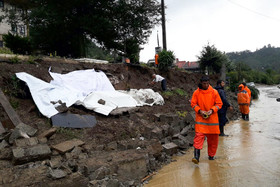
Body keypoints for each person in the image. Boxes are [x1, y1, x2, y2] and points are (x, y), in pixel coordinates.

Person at [190, 76, 223, 164]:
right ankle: (196, 157)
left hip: (212, 121)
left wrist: (212, 110)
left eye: (207, 83)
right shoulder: (196, 93)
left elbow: (219, 104)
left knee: (213, 141)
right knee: (198, 138)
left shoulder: (214, 92)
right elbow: (193, 103)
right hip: (201, 120)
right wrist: (199, 110)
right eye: (204, 83)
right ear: (201, 83)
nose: (206, 85)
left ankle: (211, 156)